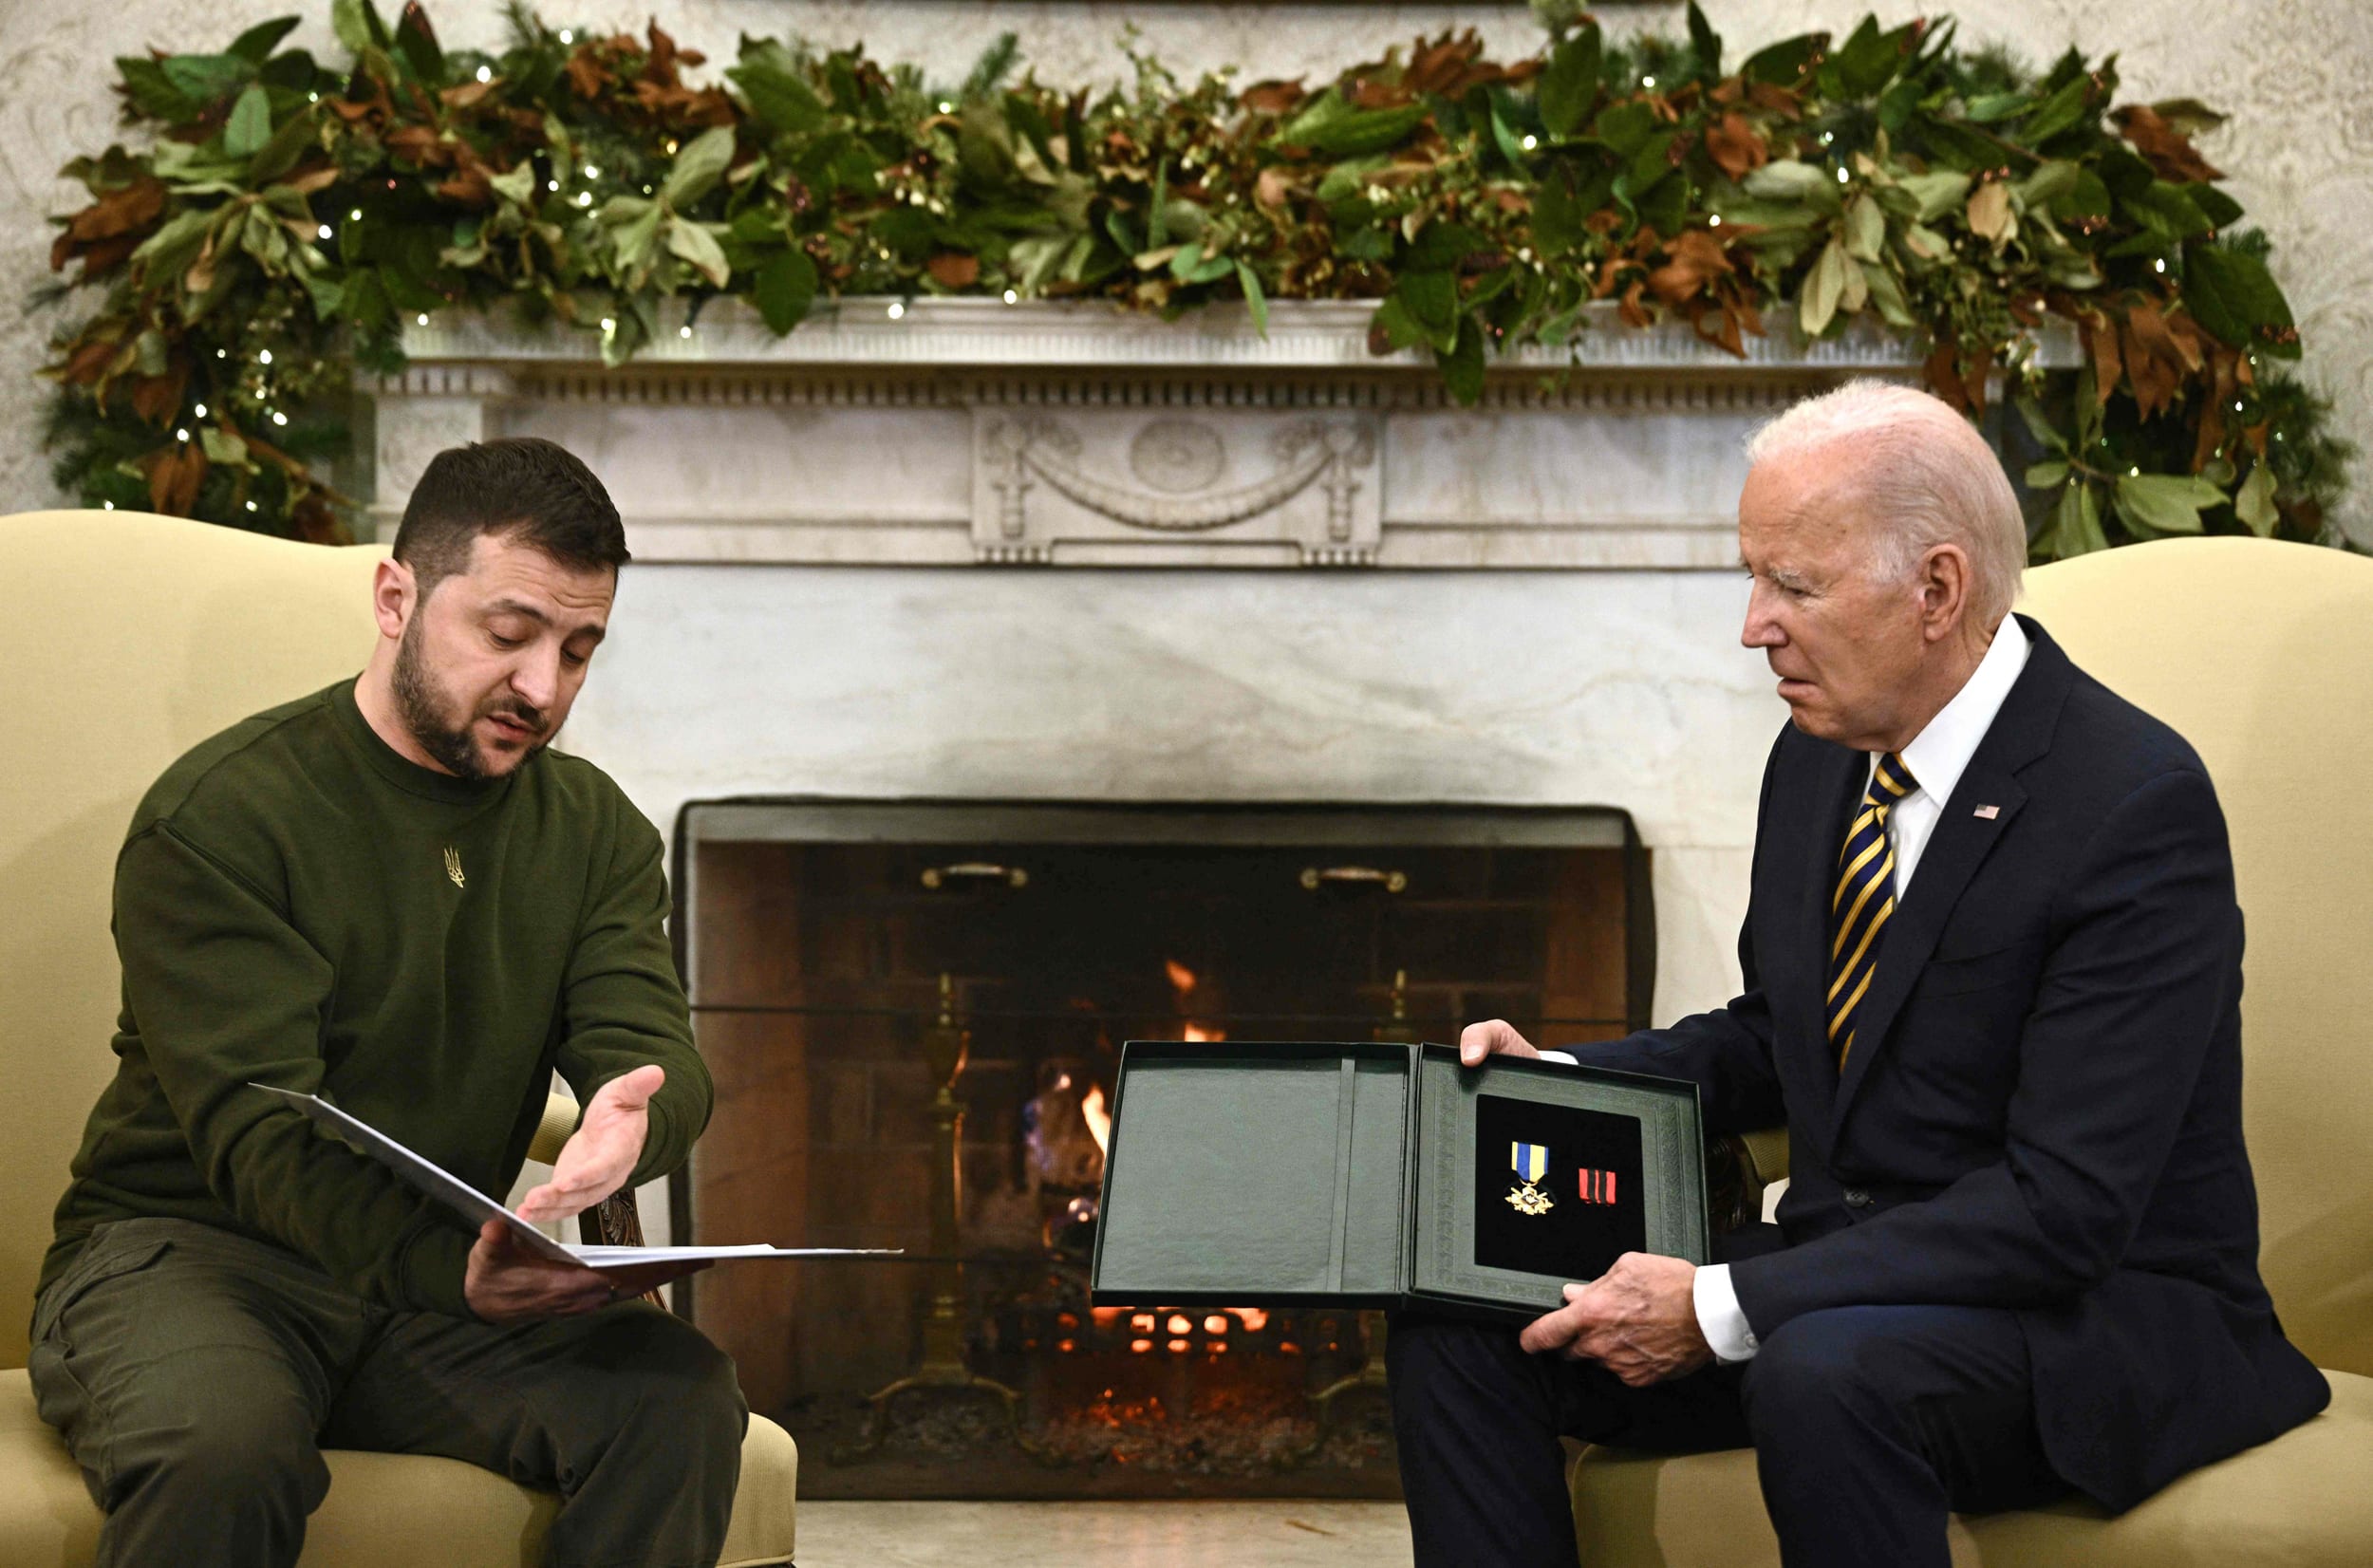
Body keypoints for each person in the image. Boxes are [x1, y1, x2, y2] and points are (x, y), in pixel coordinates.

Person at [1390, 383, 2330, 1568]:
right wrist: (1566, 1077)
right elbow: (1778, 1032)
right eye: (1752, 577)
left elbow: (2063, 1208)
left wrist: (1714, 1305)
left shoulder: (2131, 804)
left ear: (1935, 590)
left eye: (1794, 586)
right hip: (1847, 1287)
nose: (1753, 626)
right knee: (1459, 1317)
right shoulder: (1820, 755)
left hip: (2091, 1315)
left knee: (1821, 1371)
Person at [29, 438, 744, 1568]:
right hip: (192, 1257)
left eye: (577, 649)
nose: (543, 687)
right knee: (224, 1449)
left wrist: (632, 1120)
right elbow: (262, 1138)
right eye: (508, 634)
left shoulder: (592, 828)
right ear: (395, 598)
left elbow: (647, 1039)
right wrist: (453, 1270)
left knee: (676, 1396)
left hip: (431, 1289)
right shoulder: (223, 817)